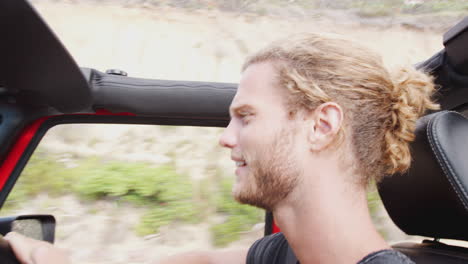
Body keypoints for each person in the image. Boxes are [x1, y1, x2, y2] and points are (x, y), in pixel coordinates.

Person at [5, 33, 438, 264]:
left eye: (245, 117)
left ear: (321, 126)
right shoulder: (285, 253)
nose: (225, 137)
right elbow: (194, 261)